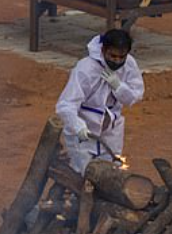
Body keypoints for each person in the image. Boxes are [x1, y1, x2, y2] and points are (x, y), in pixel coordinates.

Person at [56, 29, 144, 174]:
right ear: (103, 50)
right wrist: (78, 126)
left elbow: (134, 97)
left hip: (111, 132)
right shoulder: (85, 69)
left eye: (121, 57)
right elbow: (66, 104)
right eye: (113, 56)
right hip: (84, 134)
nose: (117, 61)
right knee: (81, 176)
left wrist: (119, 87)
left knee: (111, 175)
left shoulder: (129, 64)